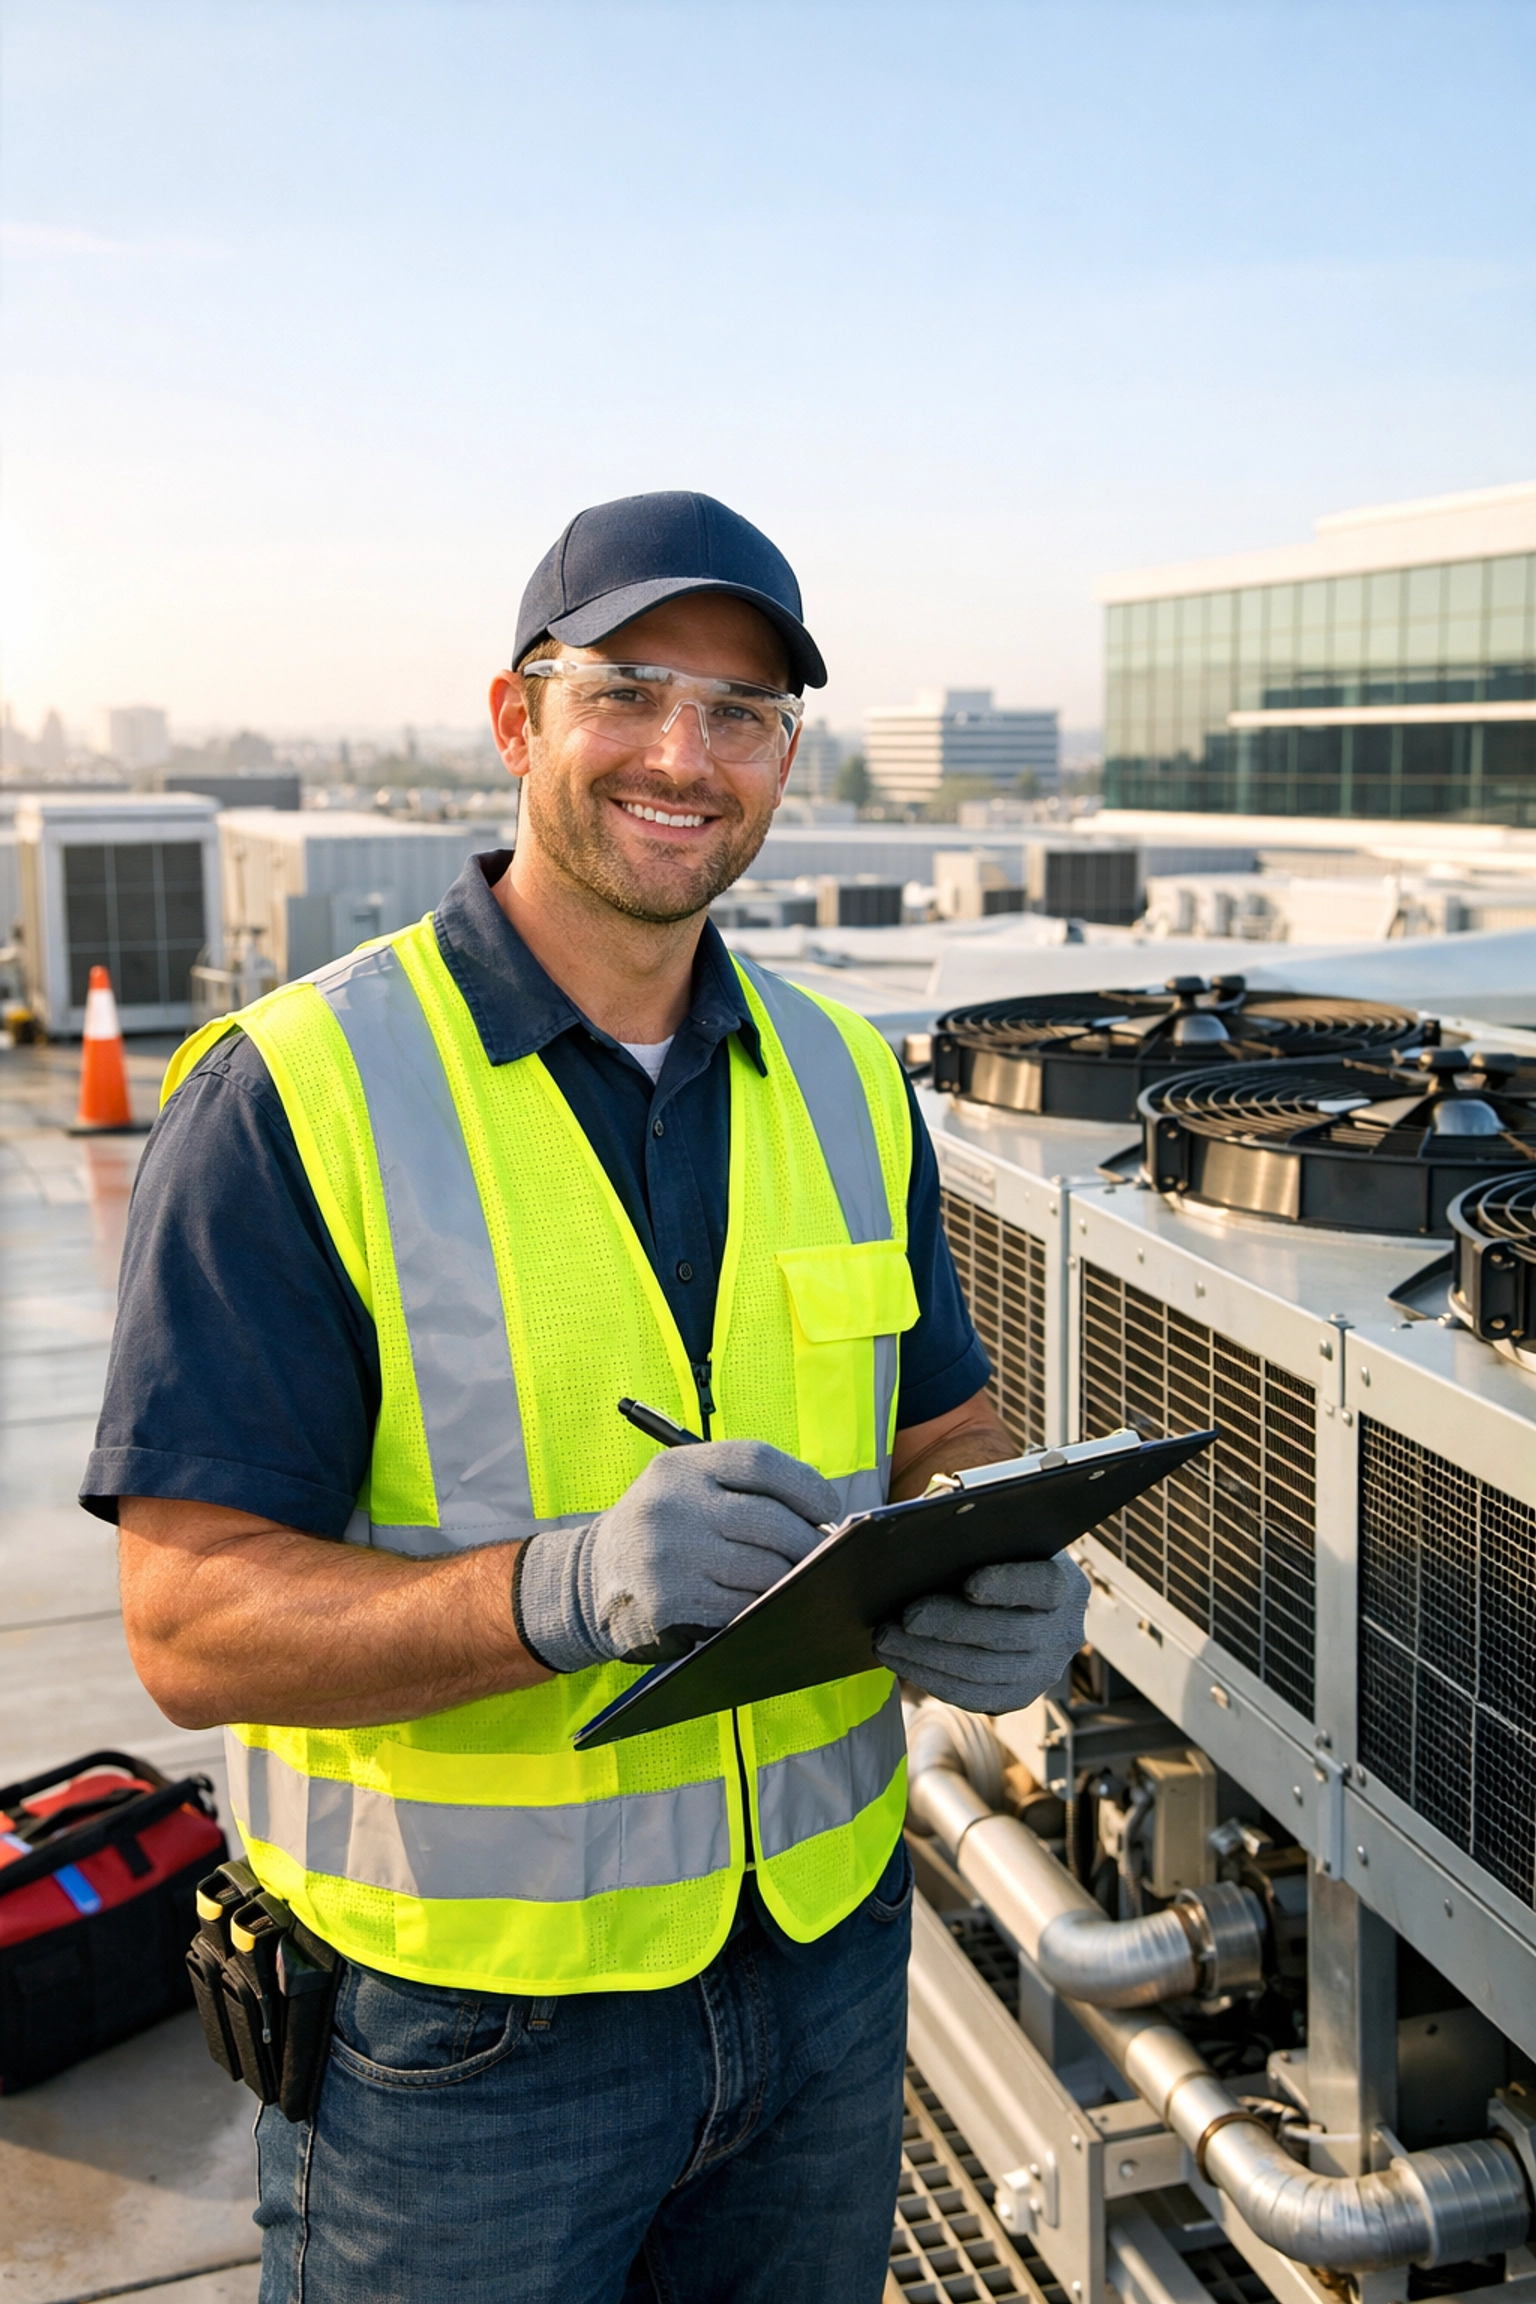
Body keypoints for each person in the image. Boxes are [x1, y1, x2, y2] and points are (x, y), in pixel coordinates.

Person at [89, 491, 1090, 2304]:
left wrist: (1003, 1571)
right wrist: (554, 1596)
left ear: (787, 757)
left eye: (743, 714)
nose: (683, 757)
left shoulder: (851, 1077)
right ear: (515, 717)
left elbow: (948, 1434)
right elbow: (188, 1621)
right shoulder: (298, 1091)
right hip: (470, 2046)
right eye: (629, 689)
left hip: (830, 1972)